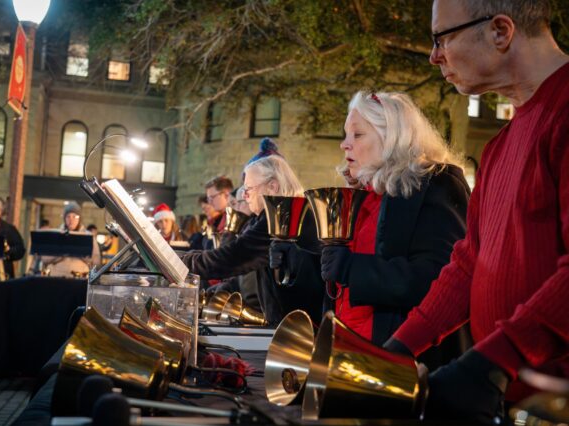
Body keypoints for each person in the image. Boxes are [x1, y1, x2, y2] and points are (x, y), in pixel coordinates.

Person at [382, 1, 569, 424]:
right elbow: (469, 264)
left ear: (500, 31)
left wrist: (493, 361)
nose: (434, 56)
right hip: (509, 398)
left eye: (441, 38)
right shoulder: (499, 146)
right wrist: (399, 348)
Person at [284, 91, 469, 369]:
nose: (344, 145)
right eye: (346, 135)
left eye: (357, 135)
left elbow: (440, 279)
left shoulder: (435, 184)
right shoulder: (364, 195)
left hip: (402, 361)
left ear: (393, 137)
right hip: (349, 356)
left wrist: (353, 269)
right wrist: (295, 256)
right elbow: (336, 285)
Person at [181, 142, 325, 324]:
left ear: (272, 186)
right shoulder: (273, 215)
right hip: (291, 321)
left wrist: (181, 262)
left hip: (301, 326)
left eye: (249, 189)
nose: (245, 195)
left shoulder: (283, 217)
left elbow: (234, 257)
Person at [40, 202, 101, 278]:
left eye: (75, 217)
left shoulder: (88, 236)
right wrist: (65, 252)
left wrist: (79, 252)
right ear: (64, 218)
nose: (71, 220)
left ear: (79, 218)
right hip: (56, 279)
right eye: (68, 216)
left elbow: (96, 262)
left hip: (79, 280)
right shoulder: (56, 234)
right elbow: (45, 258)